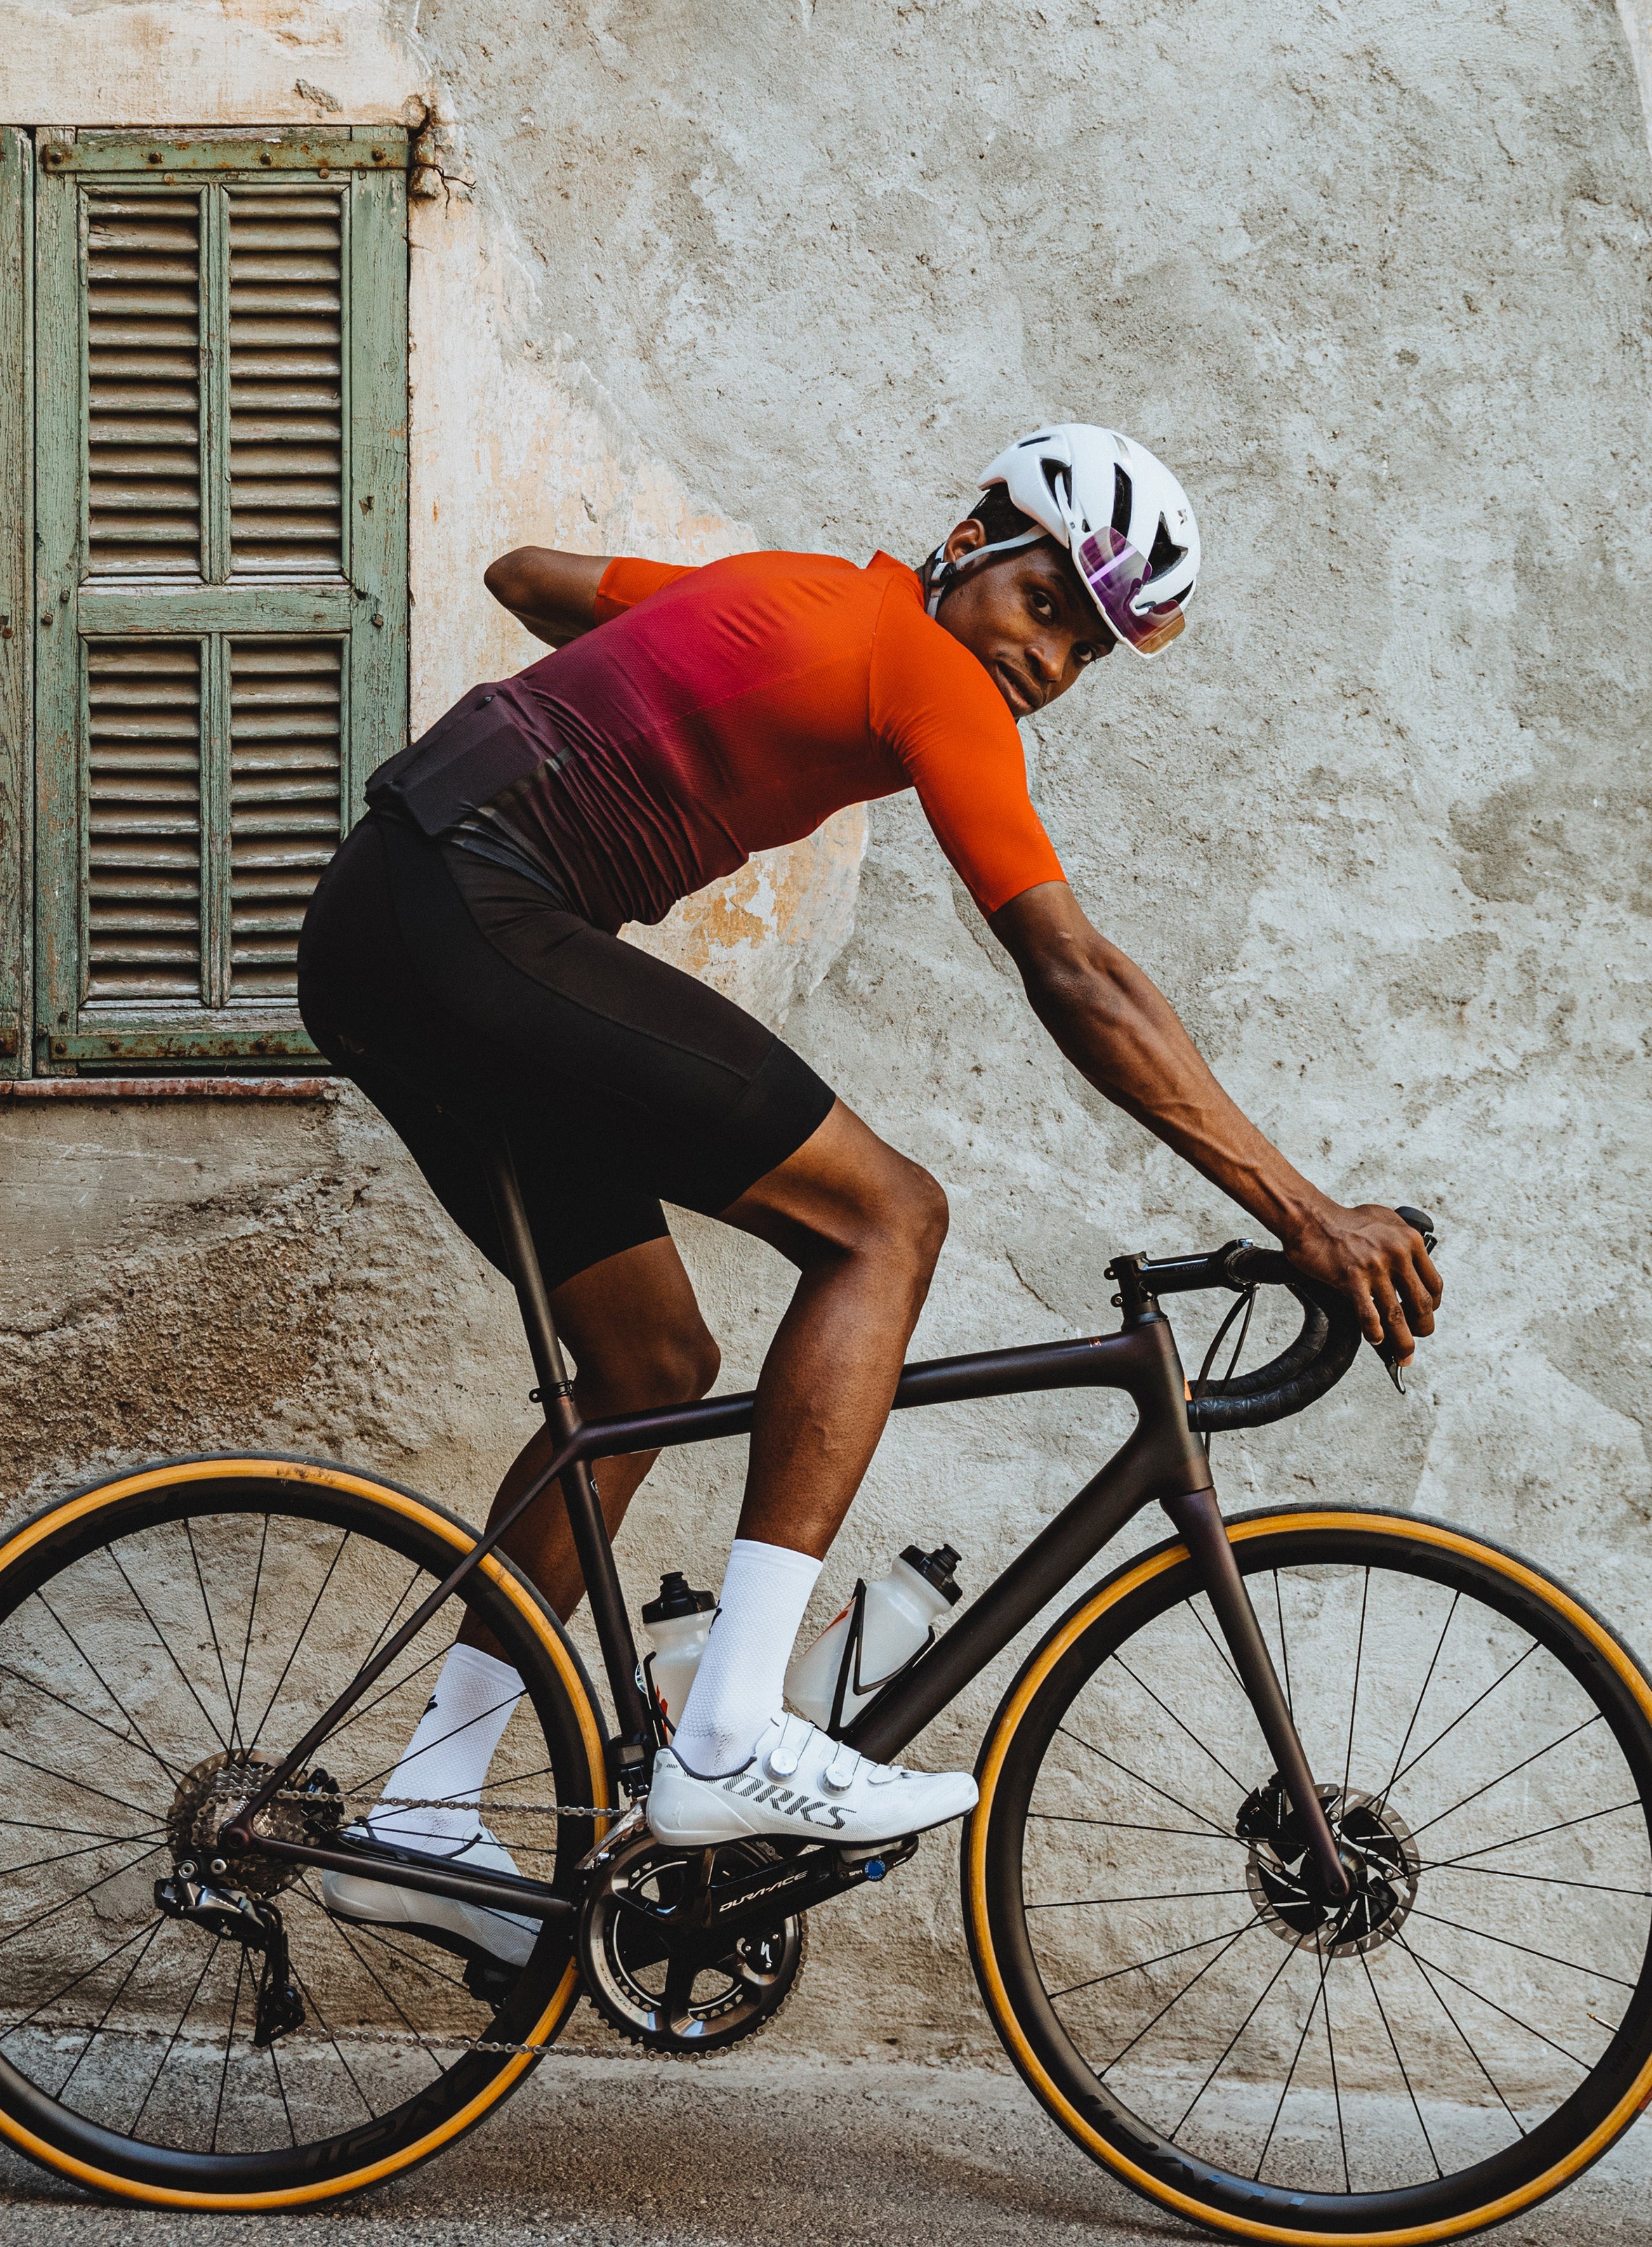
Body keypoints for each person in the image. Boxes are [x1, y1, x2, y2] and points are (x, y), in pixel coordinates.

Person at [296, 424, 1442, 1968]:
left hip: (386, 925)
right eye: (1046, 605)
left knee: (649, 1367)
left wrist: (683, 645)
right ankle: (730, 1731)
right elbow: (1075, 974)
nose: (1048, 663)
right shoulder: (925, 670)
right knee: (887, 1217)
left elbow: (527, 576)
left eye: (1086, 651)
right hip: (474, 909)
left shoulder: (789, 595)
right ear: (969, 541)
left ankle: (427, 1809)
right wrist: (1303, 1211)